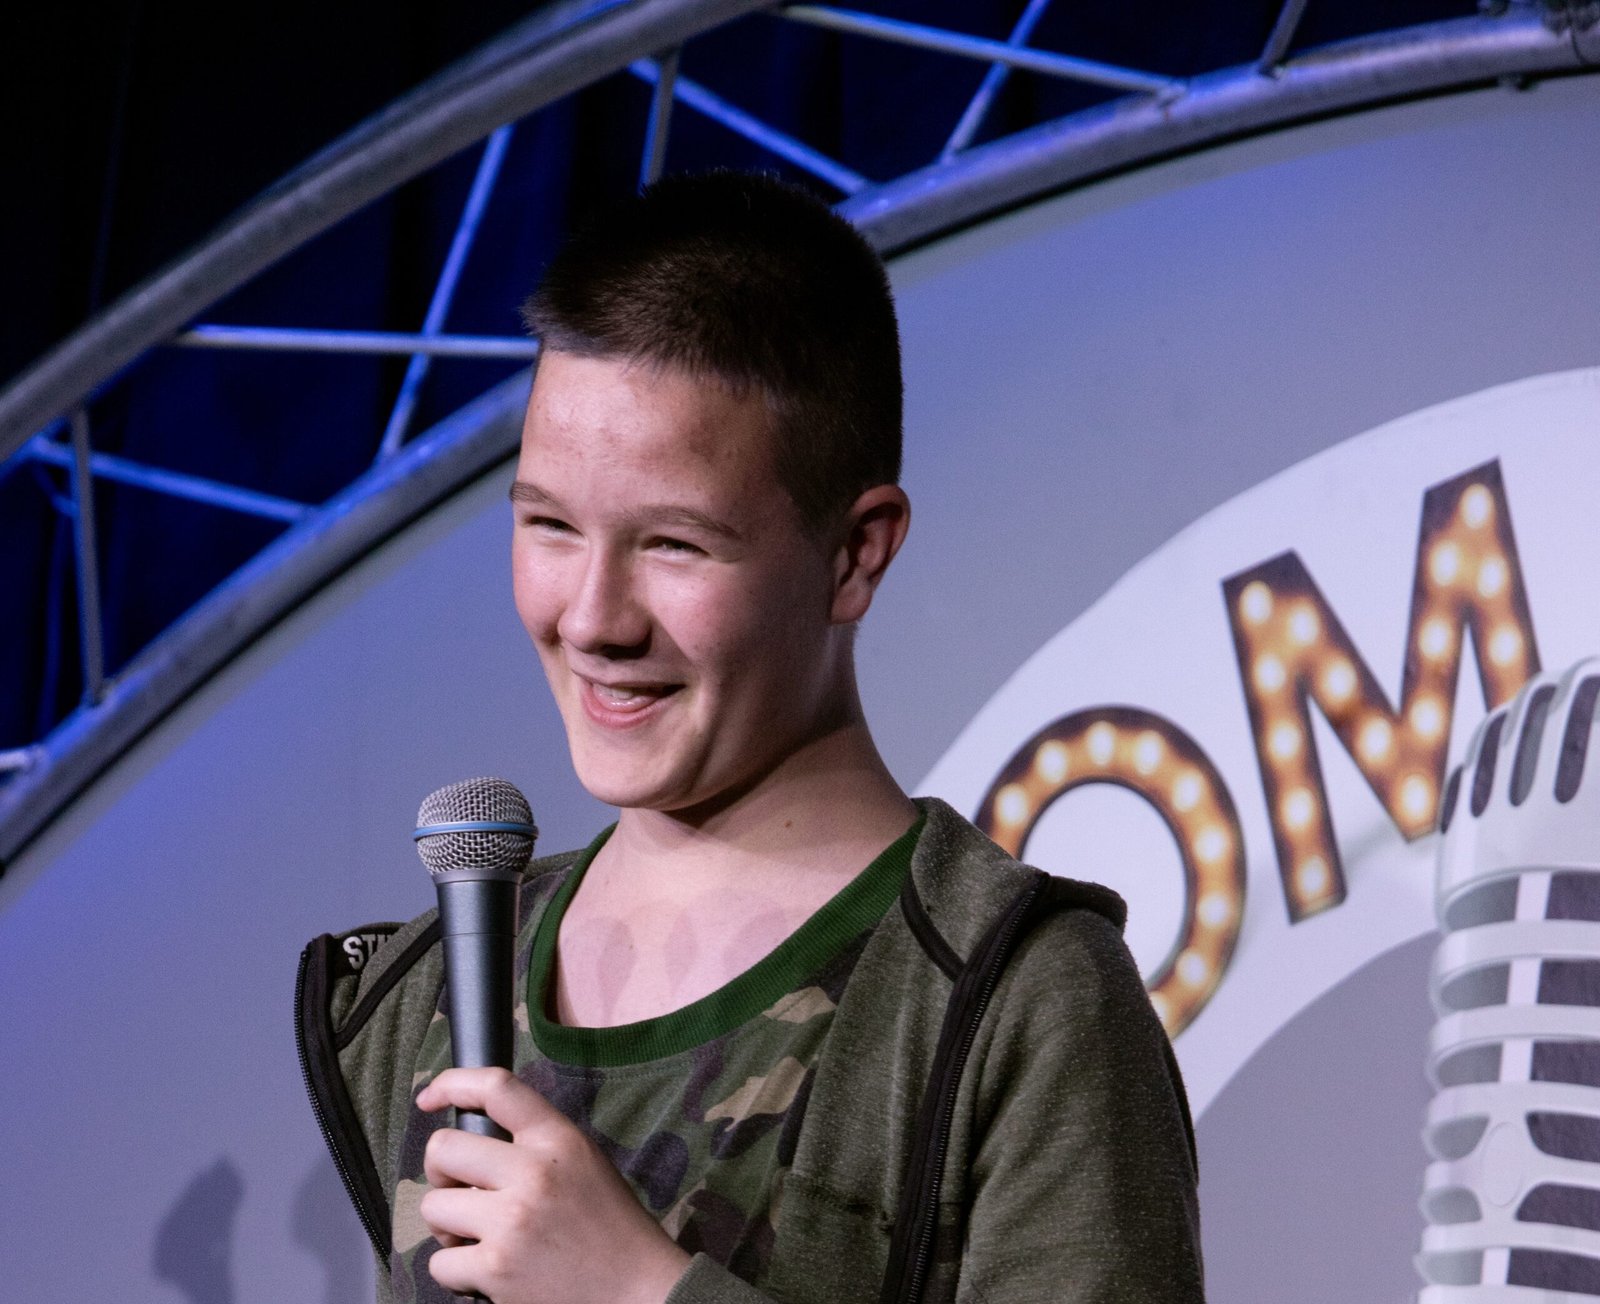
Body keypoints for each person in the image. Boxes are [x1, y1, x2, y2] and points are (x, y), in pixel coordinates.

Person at [296, 170, 1204, 1304]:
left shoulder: (1009, 997)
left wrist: (643, 1288)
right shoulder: (420, 998)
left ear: (855, 553)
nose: (591, 617)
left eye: (673, 545)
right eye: (549, 525)